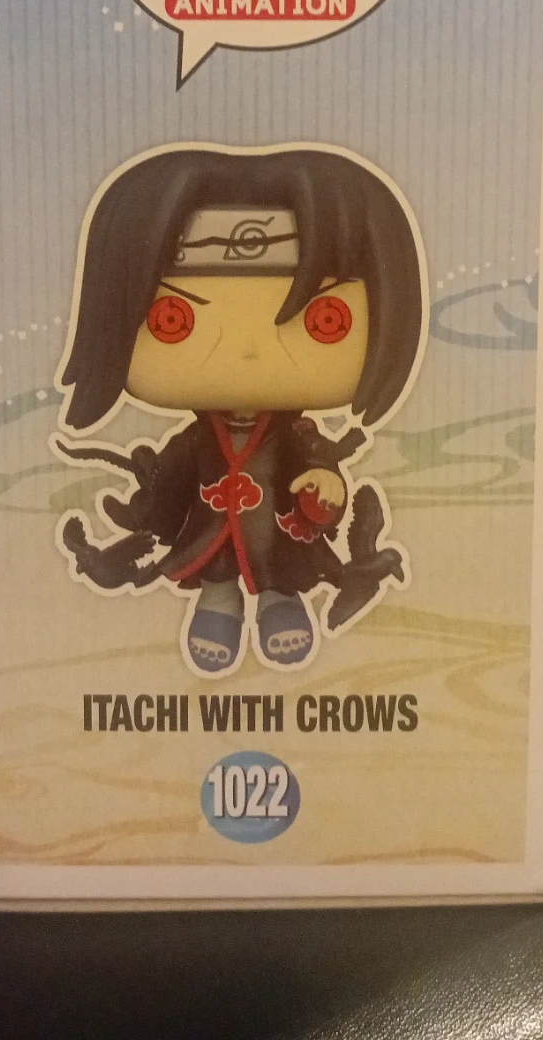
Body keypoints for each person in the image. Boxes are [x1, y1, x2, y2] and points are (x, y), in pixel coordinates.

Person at [51, 144, 426, 676]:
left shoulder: (295, 435)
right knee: (216, 569)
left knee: (281, 568)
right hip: (213, 532)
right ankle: (219, 601)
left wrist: (326, 486)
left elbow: (320, 466)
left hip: (279, 531)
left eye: (325, 320)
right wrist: (150, 508)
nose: (249, 353)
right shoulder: (196, 439)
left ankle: (280, 600)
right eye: (173, 320)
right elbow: (172, 481)